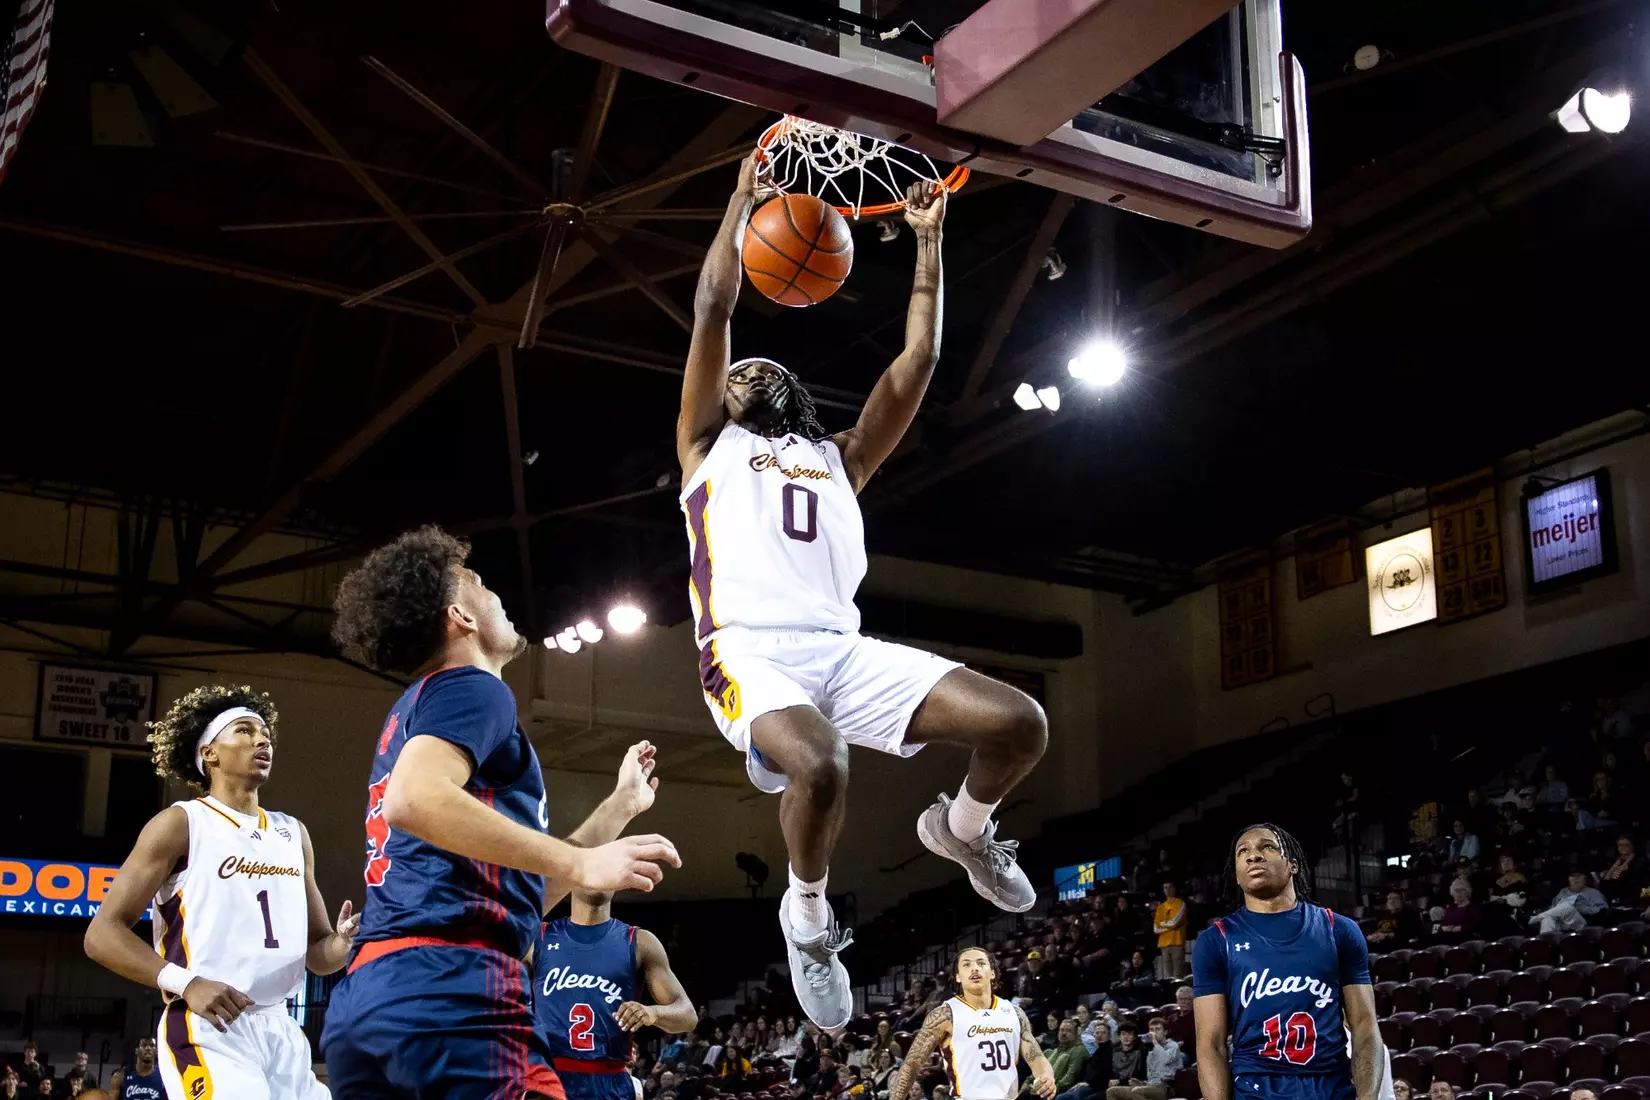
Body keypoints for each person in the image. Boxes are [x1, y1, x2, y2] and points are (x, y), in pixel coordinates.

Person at [678, 152, 1047, 1028]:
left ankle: (962, 830)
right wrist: (739, 204)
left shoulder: (840, 458)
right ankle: (807, 919)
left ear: (796, 393)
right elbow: (715, 306)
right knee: (821, 763)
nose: (748, 373)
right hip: (746, 652)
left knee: (1020, 723)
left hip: (841, 651)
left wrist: (928, 245)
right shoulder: (706, 445)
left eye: (763, 369)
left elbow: (919, 359)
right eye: (738, 373)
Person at [322, 526, 682, 1099]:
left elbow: (520, 896)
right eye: (477, 582)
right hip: (454, 990)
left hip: (371, 998)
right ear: (460, 616)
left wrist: (618, 808)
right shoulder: (474, 688)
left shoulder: (414, 711)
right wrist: (582, 864)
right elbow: (411, 799)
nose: (495, 593)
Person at [84, 685, 355, 1100]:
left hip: (281, 1027)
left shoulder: (292, 832)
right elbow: (101, 934)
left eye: (265, 734)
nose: (262, 740)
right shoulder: (181, 823)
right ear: (209, 753)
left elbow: (318, 955)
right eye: (245, 731)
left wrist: (343, 943)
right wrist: (187, 983)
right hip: (208, 1025)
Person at [1191, 823, 1387, 1100]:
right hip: (1255, 1088)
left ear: (1293, 865)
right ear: (1236, 875)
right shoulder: (1217, 940)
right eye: (1242, 852)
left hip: (1331, 1086)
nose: (1253, 856)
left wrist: (1367, 1098)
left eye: (1267, 847)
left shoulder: (1339, 930)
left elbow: (1365, 1026)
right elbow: (1211, 1044)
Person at [538, 885, 698, 1100]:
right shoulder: (538, 937)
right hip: (549, 1079)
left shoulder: (640, 942)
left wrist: (653, 1013)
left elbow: (688, 1016)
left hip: (611, 1079)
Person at [888, 948, 1057, 1100]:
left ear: (992, 973)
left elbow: (1035, 1056)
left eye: (981, 963)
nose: (974, 968)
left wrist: (1046, 1075)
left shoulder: (1015, 1013)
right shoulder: (945, 1015)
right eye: (966, 965)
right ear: (958, 977)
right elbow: (911, 1065)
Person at [1106, 1017, 1182, 1100]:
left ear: (1165, 1032)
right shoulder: (1151, 1050)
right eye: (1152, 1030)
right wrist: (1141, 1082)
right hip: (1150, 1085)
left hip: (1166, 1087)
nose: (1154, 1032)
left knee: (1136, 1091)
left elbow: (1164, 1060)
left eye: (1157, 1029)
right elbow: (1151, 1076)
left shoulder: (1172, 1045)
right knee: (1112, 1091)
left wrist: (1155, 1042)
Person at [1530, 870, 1609, 932]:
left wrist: (1580, 909)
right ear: (1569, 879)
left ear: (1585, 878)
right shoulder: (1563, 891)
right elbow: (1553, 908)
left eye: (1579, 876)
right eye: (1572, 876)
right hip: (1560, 921)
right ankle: (1546, 945)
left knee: (1566, 906)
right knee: (1547, 919)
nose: (1576, 878)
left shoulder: (1593, 892)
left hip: (1580, 922)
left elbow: (1604, 910)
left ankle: (1534, 919)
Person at [1154, 883, 1189, 980]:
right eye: (1165, 887)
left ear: (1174, 888)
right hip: (1163, 944)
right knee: (1169, 977)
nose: (1168, 889)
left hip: (1177, 942)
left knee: (1178, 975)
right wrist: (1169, 925)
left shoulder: (1181, 904)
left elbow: (1174, 922)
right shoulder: (1160, 907)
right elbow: (1156, 928)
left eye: (1170, 887)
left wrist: (1163, 924)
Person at [1108, 1023, 1144, 1088]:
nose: (1126, 1037)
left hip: (1133, 1086)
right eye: (1123, 1034)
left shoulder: (1141, 1052)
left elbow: (1139, 1075)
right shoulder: (1113, 1052)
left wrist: (1121, 1082)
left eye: (1129, 1034)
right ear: (1119, 1037)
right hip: (1114, 1085)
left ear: (1134, 1037)